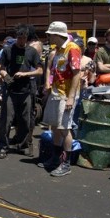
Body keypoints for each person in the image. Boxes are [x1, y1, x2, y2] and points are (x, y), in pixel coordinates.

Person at [38, 21, 81, 177]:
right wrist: (48, 88)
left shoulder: (73, 49)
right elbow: (54, 71)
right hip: (56, 92)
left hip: (66, 95)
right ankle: (56, 158)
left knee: (64, 128)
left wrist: (70, 98)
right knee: (56, 126)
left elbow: (77, 74)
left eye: (50, 34)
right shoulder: (57, 51)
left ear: (57, 35)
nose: (48, 37)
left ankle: (66, 163)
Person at [0, 24, 43, 159]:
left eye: (24, 38)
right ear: (16, 37)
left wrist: (25, 74)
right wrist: (5, 75)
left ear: (27, 37)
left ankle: (23, 145)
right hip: (10, 90)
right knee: (6, 120)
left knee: (25, 120)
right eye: (19, 38)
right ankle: (2, 146)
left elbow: (40, 70)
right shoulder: (8, 50)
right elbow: (1, 67)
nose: (21, 40)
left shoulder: (31, 52)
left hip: (26, 91)